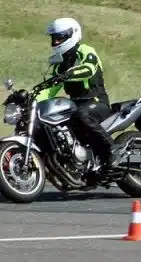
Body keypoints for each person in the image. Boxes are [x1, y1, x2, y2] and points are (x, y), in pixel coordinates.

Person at [37, 17, 127, 175]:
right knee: (55, 125)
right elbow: (49, 89)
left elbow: (89, 68)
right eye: (54, 38)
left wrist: (67, 75)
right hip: (75, 104)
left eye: (60, 38)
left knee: (81, 115)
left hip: (96, 101)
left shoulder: (85, 50)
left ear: (72, 35)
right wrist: (31, 100)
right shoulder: (59, 64)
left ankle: (112, 150)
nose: (56, 42)